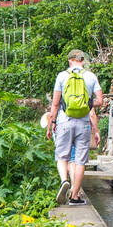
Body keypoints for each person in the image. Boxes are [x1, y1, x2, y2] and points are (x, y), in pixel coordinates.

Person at [45, 49, 102, 205]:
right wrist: (87, 104)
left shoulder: (62, 76)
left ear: (70, 60)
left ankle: (64, 180)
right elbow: (100, 101)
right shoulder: (91, 77)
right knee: (80, 161)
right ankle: (75, 197)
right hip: (83, 124)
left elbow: (55, 104)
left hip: (64, 121)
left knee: (62, 157)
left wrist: (50, 125)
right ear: (82, 60)